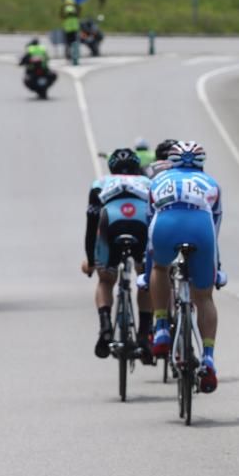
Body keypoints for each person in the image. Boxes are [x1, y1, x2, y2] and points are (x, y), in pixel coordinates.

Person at [146, 142, 225, 394]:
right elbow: (216, 228)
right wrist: (217, 267)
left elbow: (150, 222)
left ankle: (160, 327)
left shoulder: (157, 180)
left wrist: (145, 271)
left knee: (159, 268)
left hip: (166, 225)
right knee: (204, 297)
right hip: (201, 228)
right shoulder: (212, 183)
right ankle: (209, 358)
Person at [82, 148, 153, 359]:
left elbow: (91, 225)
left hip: (109, 225)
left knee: (105, 281)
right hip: (142, 226)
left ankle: (105, 328)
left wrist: (92, 260)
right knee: (146, 279)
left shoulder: (100, 183)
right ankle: (143, 334)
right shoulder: (148, 183)